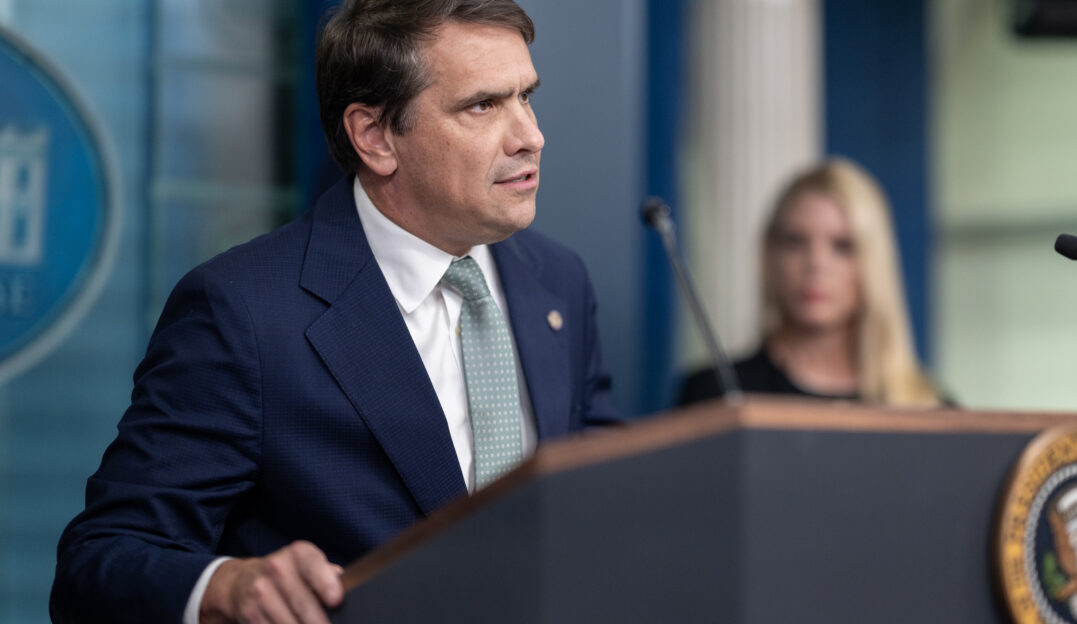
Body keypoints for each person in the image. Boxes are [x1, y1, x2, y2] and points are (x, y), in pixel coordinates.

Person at [50, 1, 618, 623]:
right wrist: (227, 588)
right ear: (374, 136)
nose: (530, 136)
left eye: (526, 96)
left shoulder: (556, 282)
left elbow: (599, 505)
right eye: (483, 106)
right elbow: (100, 561)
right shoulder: (243, 313)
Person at [677, 157, 942, 407]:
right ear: (769, 256)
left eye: (842, 246)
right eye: (795, 242)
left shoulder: (929, 409)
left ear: (874, 264)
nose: (816, 263)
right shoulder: (713, 396)